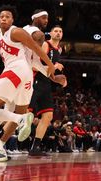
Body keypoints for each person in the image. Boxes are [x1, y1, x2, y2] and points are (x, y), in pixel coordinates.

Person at [0, 7, 55, 162]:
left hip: (17, 69)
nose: (4, 18)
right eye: (1, 16)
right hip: (25, 76)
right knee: (5, 112)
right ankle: (1, 142)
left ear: (13, 20)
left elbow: (35, 47)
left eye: (7, 16)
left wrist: (49, 64)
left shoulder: (16, 31)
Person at [29, 21, 68, 156]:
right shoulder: (46, 45)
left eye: (60, 31)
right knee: (22, 115)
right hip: (35, 81)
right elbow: (34, 65)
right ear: (50, 34)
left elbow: (49, 71)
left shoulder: (59, 50)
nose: (58, 33)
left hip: (46, 83)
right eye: (55, 31)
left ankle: (35, 147)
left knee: (48, 116)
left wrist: (57, 78)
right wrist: (53, 66)